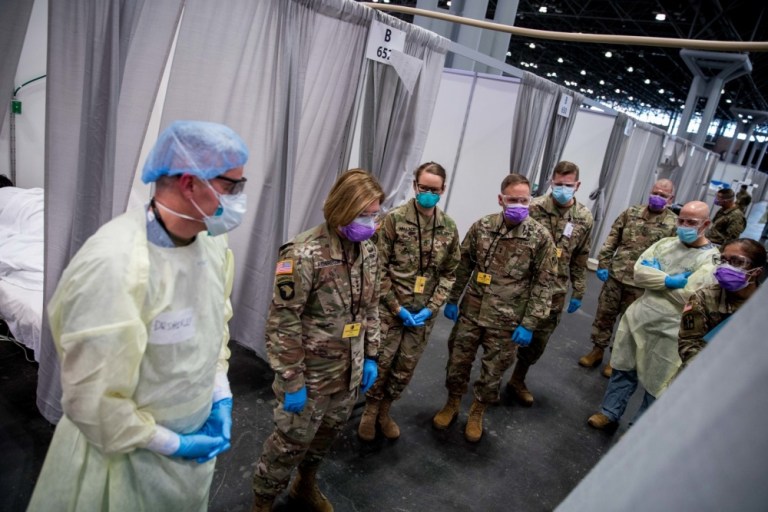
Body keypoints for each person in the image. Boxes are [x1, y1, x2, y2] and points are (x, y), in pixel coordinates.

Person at [27, 121, 249, 511]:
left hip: (189, 463)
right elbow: (92, 400)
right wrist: (170, 442)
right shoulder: (114, 265)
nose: (238, 198)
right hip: (120, 462)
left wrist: (219, 394)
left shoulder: (211, 245)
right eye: (231, 187)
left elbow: (214, 325)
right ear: (189, 183)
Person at [251, 169, 384, 512]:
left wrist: (371, 356)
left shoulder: (368, 251)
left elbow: (371, 306)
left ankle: (304, 484)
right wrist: (292, 379)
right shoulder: (303, 254)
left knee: (325, 438)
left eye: (374, 214)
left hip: (348, 373)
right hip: (310, 376)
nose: (371, 222)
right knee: (288, 445)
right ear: (342, 208)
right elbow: (283, 322)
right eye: (364, 214)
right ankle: (263, 501)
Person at [432, 173, 556, 442]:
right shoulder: (483, 227)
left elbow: (543, 284)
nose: (519, 205)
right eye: (513, 199)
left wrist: (529, 323)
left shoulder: (541, 237)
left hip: (508, 320)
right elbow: (463, 265)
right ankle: (452, 402)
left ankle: (478, 409)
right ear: (501, 199)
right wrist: (453, 300)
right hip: (472, 311)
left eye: (524, 200)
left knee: (493, 370)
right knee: (457, 362)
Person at [588, 201, 719, 431]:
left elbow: (691, 296)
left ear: (705, 224)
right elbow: (638, 274)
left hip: (672, 328)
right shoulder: (665, 244)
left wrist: (657, 276)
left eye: (692, 222)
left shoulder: (711, 259)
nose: (684, 226)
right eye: (681, 221)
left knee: (658, 382)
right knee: (623, 368)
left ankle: (639, 429)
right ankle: (609, 412)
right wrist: (670, 280)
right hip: (640, 317)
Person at [358, 162, 460, 441]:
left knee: (405, 366)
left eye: (434, 190)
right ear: (415, 186)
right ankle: (370, 410)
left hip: (423, 315)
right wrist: (396, 307)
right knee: (380, 362)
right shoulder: (393, 219)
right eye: (424, 188)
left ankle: (385, 411)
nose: (428, 193)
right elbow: (377, 267)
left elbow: (450, 273)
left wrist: (432, 307)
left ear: (443, 190)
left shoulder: (449, 227)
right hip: (390, 310)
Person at [507, 161, 593, 406]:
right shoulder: (532, 208)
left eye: (568, 185)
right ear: (551, 182)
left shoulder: (584, 217)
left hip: (555, 290)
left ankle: (517, 379)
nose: (562, 189)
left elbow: (581, 255)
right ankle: (489, 382)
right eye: (558, 184)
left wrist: (579, 289)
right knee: (503, 339)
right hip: (521, 285)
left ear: (577, 185)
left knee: (537, 342)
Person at [578, 179, 677, 378]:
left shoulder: (673, 224)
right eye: (655, 192)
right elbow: (612, 238)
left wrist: (661, 278)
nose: (657, 197)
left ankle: (616, 359)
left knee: (629, 322)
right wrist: (604, 263)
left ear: (671, 199)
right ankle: (597, 350)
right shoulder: (631, 213)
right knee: (604, 315)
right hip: (616, 275)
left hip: (642, 284)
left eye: (663, 195)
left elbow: (673, 255)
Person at [678, 238, 765, 366]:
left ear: (757, 271)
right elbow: (689, 345)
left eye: (736, 261)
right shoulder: (704, 297)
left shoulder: (763, 304)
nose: (726, 267)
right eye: (723, 260)